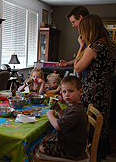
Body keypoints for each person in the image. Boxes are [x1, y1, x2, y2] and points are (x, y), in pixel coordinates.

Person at [74, 14, 116, 161]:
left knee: (89, 126)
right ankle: (97, 154)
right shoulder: (111, 46)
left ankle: (85, 153)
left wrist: (81, 46)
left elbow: (77, 68)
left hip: (92, 93)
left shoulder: (94, 47)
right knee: (100, 125)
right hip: (105, 92)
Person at [38, 76, 88, 160]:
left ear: (80, 92)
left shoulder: (76, 110)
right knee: (46, 141)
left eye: (71, 91)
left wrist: (50, 115)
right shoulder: (75, 106)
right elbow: (65, 120)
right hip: (73, 145)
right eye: (64, 92)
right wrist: (59, 110)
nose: (67, 94)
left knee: (40, 146)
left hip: (71, 150)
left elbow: (58, 126)